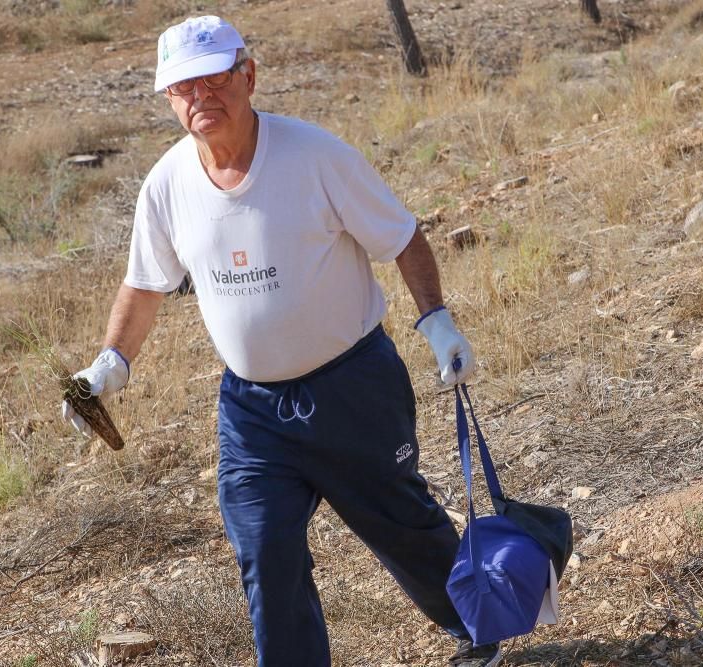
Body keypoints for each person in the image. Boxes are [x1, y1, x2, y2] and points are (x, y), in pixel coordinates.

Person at [61, 15, 501, 667]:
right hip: (252, 411)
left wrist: (436, 321)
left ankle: (478, 625)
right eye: (184, 88)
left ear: (249, 75)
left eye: (215, 78)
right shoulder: (166, 186)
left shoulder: (315, 156)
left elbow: (402, 236)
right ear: (167, 100)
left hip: (353, 387)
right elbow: (146, 284)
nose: (202, 97)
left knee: (400, 523)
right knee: (266, 552)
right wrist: (109, 365)